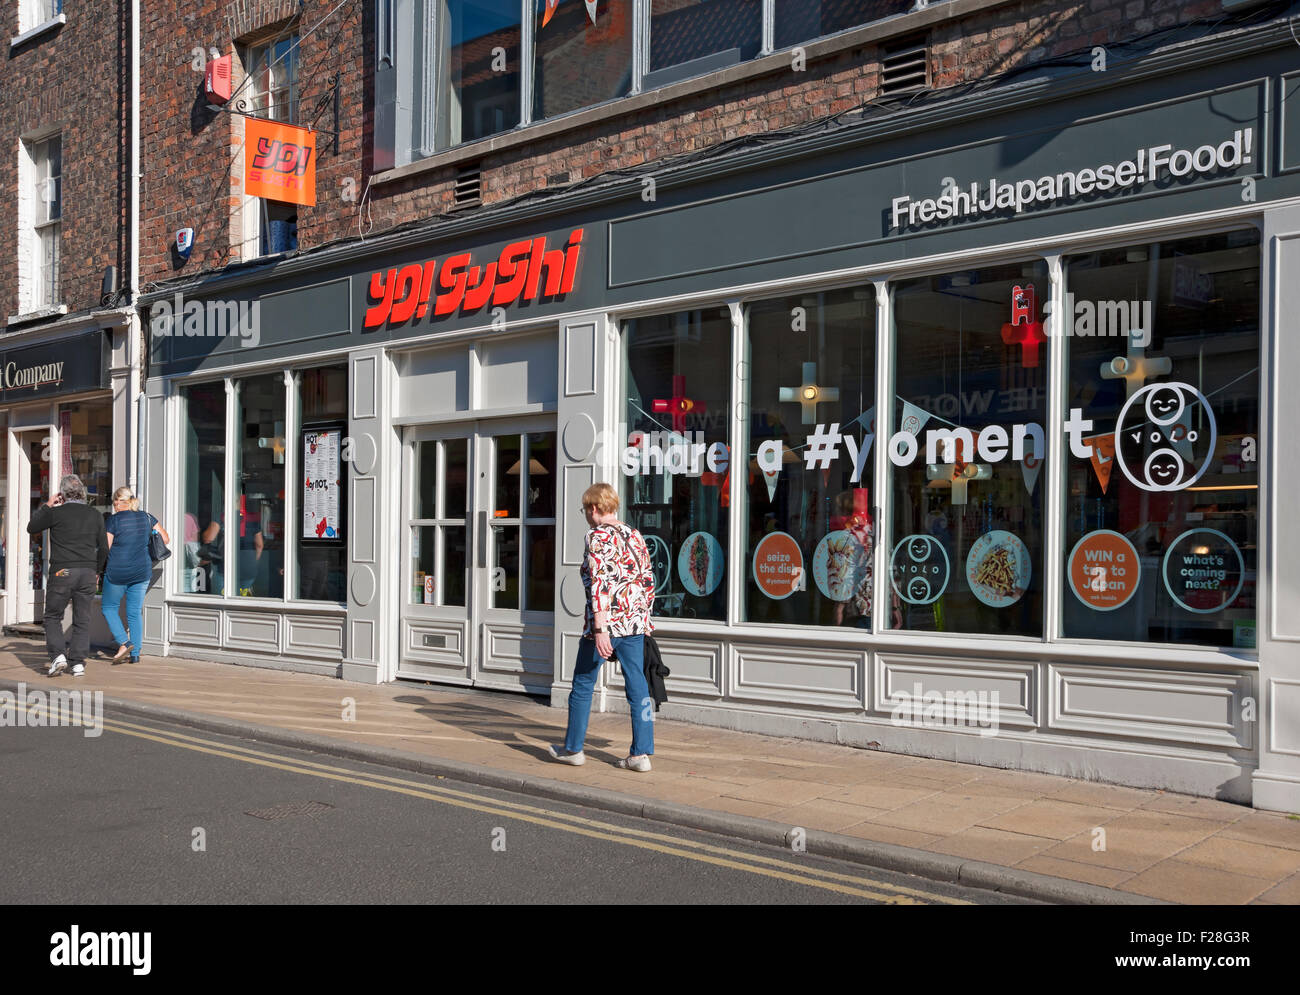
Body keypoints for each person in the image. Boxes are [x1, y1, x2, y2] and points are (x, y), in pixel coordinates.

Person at [549, 482, 657, 772]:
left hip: (605, 625)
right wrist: (645, 619)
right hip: (634, 623)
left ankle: (572, 749)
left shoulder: (596, 536)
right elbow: (648, 580)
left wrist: (600, 630)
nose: (586, 514)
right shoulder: (634, 535)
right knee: (638, 685)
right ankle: (640, 754)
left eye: (585, 509)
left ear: (594, 509)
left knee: (583, 684)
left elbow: (600, 583)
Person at [28, 474, 108, 678]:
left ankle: (58, 657)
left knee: (53, 616)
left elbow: (32, 527)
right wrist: (97, 571)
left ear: (62, 494)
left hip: (62, 571)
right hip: (88, 572)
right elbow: (104, 549)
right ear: (82, 492)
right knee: (82, 618)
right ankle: (78, 663)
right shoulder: (95, 515)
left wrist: (47, 504)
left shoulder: (56, 513)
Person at [102, 486, 171, 664]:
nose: (114, 505)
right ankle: (136, 654)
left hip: (117, 572)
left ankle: (124, 642)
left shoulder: (113, 521)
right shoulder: (147, 517)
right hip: (142, 571)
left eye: (114, 502)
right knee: (134, 612)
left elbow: (105, 548)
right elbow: (165, 539)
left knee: (109, 608)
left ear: (118, 501)